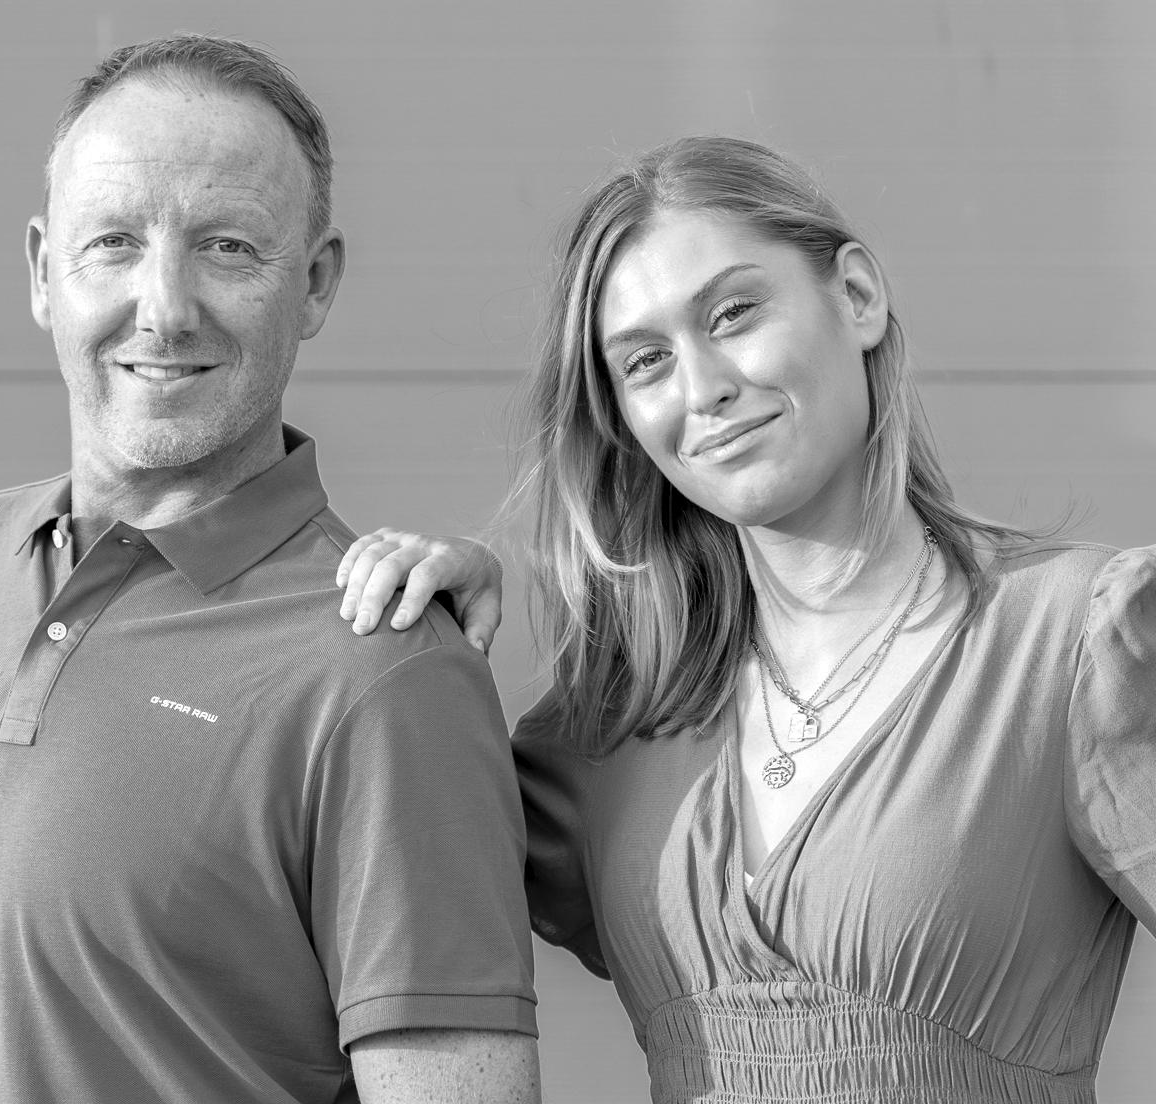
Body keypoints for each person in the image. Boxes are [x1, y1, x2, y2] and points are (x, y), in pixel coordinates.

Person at [335, 136, 1156, 1101]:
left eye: (733, 313)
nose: (704, 388)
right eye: (646, 361)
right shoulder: (613, 726)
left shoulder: (1078, 641)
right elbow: (369, 879)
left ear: (857, 297)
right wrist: (430, 636)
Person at [0, 34, 541, 1104]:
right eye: (113, 242)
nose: (163, 308)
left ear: (315, 285)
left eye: (227, 247)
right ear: (42, 273)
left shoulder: (386, 669)